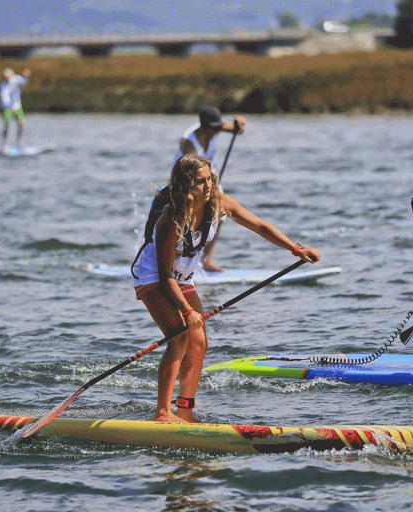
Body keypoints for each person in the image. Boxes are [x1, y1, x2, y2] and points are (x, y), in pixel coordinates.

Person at [132, 154, 319, 422]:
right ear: (186, 185)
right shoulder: (171, 218)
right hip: (154, 276)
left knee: (199, 343)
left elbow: (258, 225)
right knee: (178, 335)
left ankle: (184, 410)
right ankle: (162, 412)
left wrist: (296, 248)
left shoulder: (218, 203)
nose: (208, 186)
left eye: (210, 179)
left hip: (182, 277)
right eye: (200, 181)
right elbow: (164, 278)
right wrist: (186, 310)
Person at [173, 106, 247, 272]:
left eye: (217, 127)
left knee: (220, 216)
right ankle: (178, 259)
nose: (216, 131)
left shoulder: (214, 126)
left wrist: (239, 124)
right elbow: (191, 172)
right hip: (186, 181)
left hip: (208, 179)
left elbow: (237, 131)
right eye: (212, 128)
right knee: (188, 219)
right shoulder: (188, 142)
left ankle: (206, 261)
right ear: (202, 125)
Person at [0, 68, 31, 151]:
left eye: (8, 76)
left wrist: (26, 75)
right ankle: (4, 143)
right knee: (7, 124)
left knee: (22, 123)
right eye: (5, 77)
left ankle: (19, 141)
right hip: (7, 108)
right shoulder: (3, 85)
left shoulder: (16, 79)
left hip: (17, 106)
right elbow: (4, 98)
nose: (7, 78)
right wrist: (10, 106)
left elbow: (24, 81)